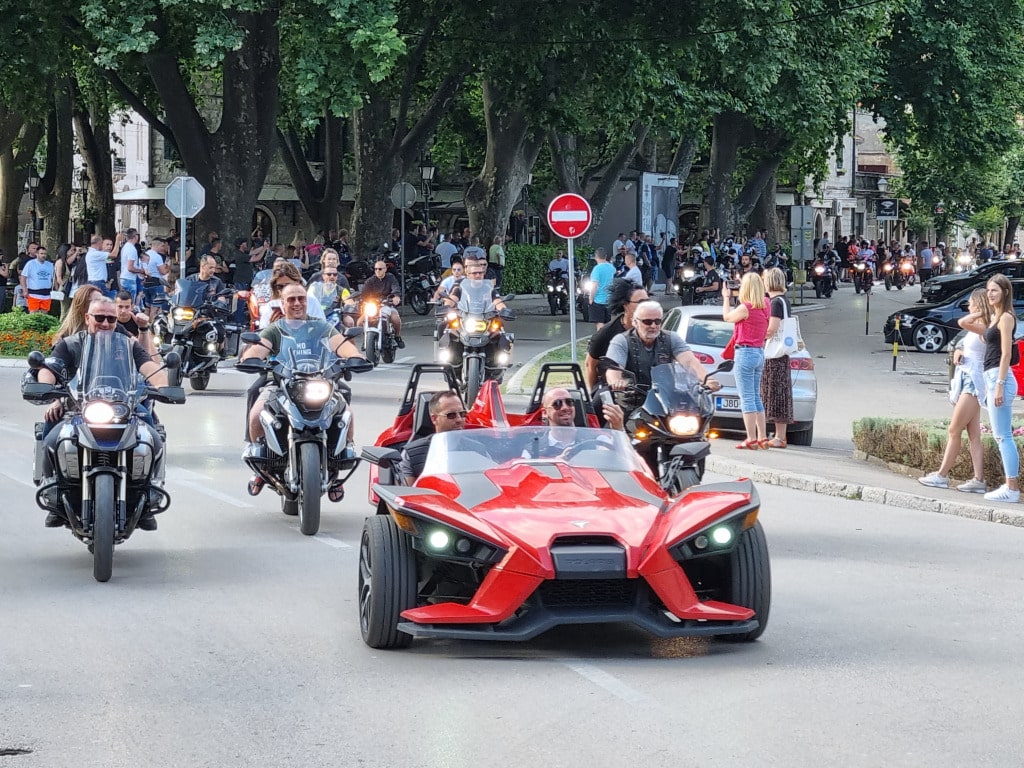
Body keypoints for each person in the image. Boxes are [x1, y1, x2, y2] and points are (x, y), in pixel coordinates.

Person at [37, 296, 167, 528]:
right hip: (78, 408)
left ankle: (148, 495)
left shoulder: (127, 344)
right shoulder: (71, 344)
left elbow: (149, 367)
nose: (105, 323)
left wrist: (164, 385)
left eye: (111, 319)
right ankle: (54, 492)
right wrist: (48, 389)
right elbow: (51, 367)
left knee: (153, 437)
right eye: (100, 318)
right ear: (88, 318)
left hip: (123, 407)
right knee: (51, 436)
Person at [919, 288, 991, 493]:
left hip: (974, 382)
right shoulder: (978, 327)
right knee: (973, 432)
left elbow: (963, 323)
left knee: (954, 429)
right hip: (969, 377)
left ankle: (942, 475)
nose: (968, 306)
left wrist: (981, 311)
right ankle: (979, 479)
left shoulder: (985, 324)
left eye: (971, 303)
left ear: (979, 305)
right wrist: (959, 350)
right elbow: (965, 343)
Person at [964, 275, 1020, 502]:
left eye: (995, 290)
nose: (990, 294)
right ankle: (1010, 486)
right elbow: (964, 324)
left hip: (999, 377)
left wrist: (998, 385)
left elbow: (1006, 353)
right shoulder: (996, 317)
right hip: (991, 377)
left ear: (1005, 292)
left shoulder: (1006, 317)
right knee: (1001, 435)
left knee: (1003, 436)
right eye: (988, 290)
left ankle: (1012, 488)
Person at [604, 300, 721, 406]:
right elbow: (614, 368)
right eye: (647, 322)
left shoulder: (671, 338)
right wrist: (616, 382)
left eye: (657, 321)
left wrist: (707, 379)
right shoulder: (621, 340)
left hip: (665, 401)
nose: (653, 326)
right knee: (607, 414)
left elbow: (690, 361)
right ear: (635, 322)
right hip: (631, 400)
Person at [722, 272, 771, 449]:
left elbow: (727, 317)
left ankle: (750, 438)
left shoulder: (746, 307)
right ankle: (762, 437)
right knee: (756, 396)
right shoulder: (766, 304)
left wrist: (726, 298)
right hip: (759, 352)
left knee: (747, 398)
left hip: (745, 353)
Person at [585, 278, 647, 390]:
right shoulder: (606, 333)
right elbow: (590, 364)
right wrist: (594, 393)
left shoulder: (653, 328)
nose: (646, 305)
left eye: (648, 301)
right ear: (625, 304)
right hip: (616, 391)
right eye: (641, 302)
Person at [396, 390, 467, 484]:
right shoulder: (412, 454)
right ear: (434, 419)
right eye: (451, 415)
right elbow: (406, 494)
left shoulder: (479, 449)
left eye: (462, 414)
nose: (459, 419)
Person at [761, 268, 794, 448]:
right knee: (780, 392)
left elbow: (771, 329)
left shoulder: (775, 303)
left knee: (775, 392)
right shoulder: (784, 301)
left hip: (775, 353)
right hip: (782, 353)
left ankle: (780, 437)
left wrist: (759, 336)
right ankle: (780, 435)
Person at [258, 261, 326, 328]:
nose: (284, 290)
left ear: (298, 283)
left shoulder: (311, 301)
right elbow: (262, 333)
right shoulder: (271, 305)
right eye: (280, 287)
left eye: (288, 285)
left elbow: (322, 330)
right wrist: (272, 328)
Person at [357, 260, 405, 348]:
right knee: (359, 322)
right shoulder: (370, 281)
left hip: (387, 304)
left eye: (380, 269)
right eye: (375, 269)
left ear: (385, 269)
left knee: (395, 319)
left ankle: (397, 337)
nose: (377, 271)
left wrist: (396, 296)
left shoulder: (390, 278)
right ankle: (366, 339)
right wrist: (360, 299)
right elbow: (364, 293)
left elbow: (395, 287)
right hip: (373, 305)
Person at [19, 244, 54, 313]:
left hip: (46, 294)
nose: (43, 255)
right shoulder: (30, 264)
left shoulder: (50, 265)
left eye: (45, 254)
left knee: (44, 316)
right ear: (37, 254)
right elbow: (23, 277)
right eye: (41, 253)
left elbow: (53, 279)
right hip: (33, 294)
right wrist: (25, 290)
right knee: (33, 314)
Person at [588, 248, 616, 330]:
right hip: (609, 298)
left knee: (599, 323)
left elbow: (594, 285)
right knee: (606, 322)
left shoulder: (597, 269)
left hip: (598, 299)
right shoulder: (611, 267)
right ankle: (606, 339)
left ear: (596, 257)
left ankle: (601, 340)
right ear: (606, 256)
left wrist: (591, 298)